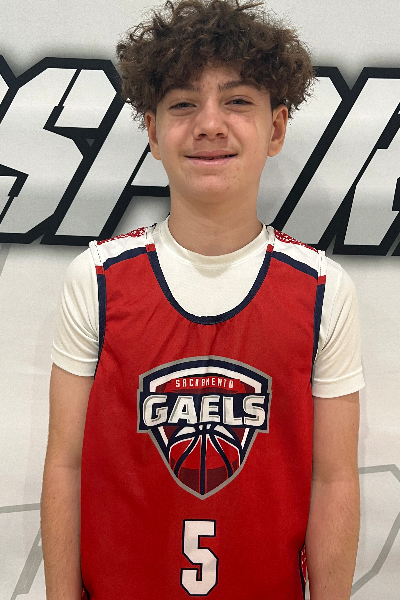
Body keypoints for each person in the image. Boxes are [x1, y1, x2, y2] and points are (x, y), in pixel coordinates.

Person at [41, 0, 364, 598]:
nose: (210, 124)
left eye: (237, 101)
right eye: (184, 104)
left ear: (276, 128)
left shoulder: (323, 289)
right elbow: (66, 464)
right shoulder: (98, 278)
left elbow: (334, 481)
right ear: (152, 131)